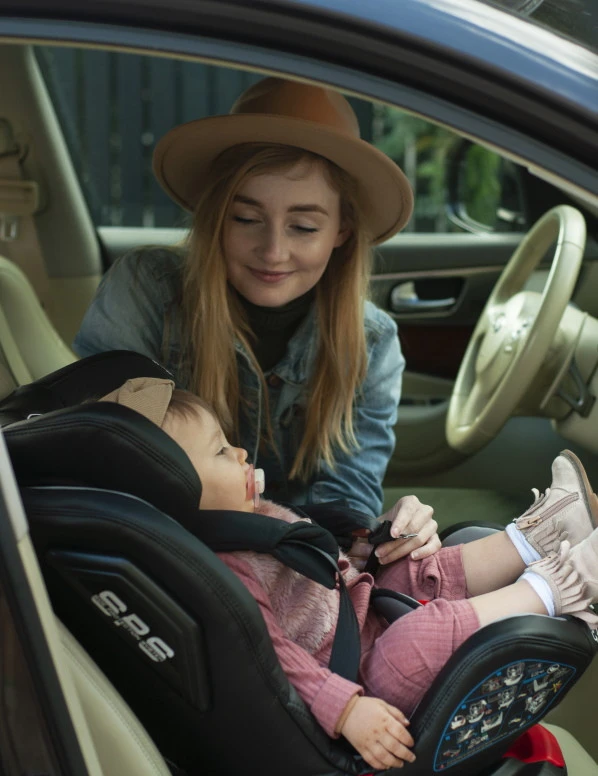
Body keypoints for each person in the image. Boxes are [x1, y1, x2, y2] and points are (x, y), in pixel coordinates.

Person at [99, 377, 598, 771]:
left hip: (352, 613)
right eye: (219, 452)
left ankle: (539, 537)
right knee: (418, 636)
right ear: (178, 494)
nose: (241, 453)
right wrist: (345, 709)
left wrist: (362, 554)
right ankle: (566, 582)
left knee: (415, 566)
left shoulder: (248, 518)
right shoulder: (222, 573)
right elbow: (273, 659)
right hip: (361, 678)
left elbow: (311, 567)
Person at [74, 75, 441, 565]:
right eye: (246, 219)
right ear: (216, 216)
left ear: (342, 230)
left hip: (296, 564)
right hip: (166, 560)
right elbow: (106, 454)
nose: (273, 251)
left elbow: (346, 494)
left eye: (303, 226)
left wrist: (378, 532)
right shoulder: (147, 292)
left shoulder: (372, 342)